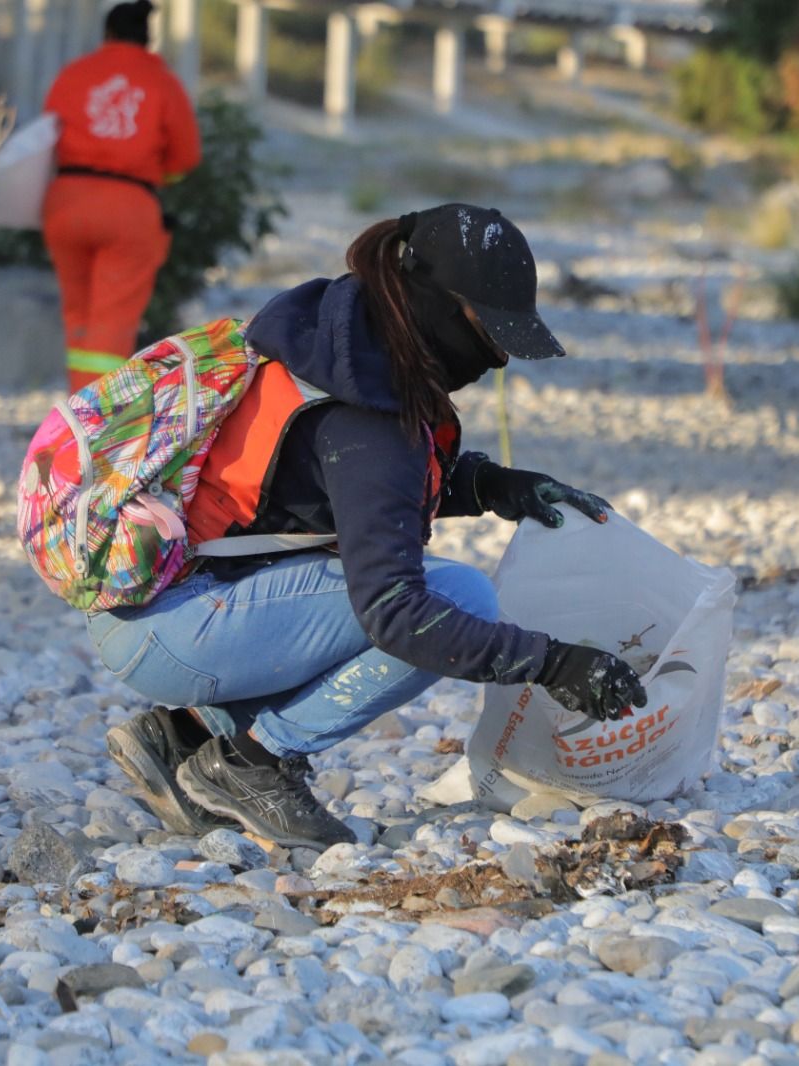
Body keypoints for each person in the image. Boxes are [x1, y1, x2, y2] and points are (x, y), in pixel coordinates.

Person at [89, 205, 648, 848]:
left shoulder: (338, 339)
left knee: (413, 594)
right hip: (177, 628)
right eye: (488, 330)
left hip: (157, 606)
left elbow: (331, 497)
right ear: (437, 305)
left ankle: (186, 736)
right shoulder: (368, 418)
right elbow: (397, 614)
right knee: (453, 599)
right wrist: (551, 663)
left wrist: (489, 485)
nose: (497, 355)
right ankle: (253, 763)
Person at [41, 0, 201, 393]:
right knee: (111, 321)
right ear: (148, 39)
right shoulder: (162, 82)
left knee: (77, 312)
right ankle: (98, 419)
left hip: (66, 202)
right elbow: (186, 156)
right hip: (129, 208)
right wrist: (158, 176)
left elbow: (44, 138)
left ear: (107, 35)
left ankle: (72, 409)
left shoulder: (74, 74)